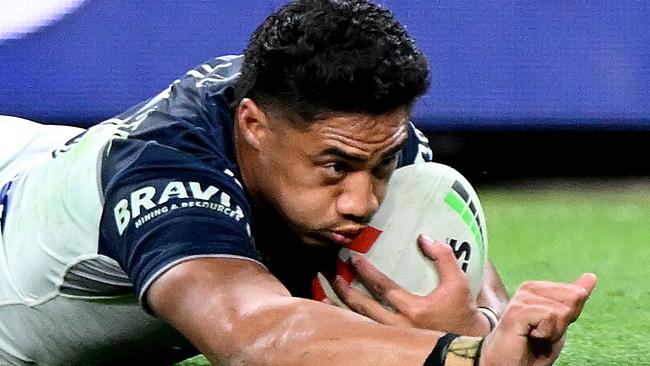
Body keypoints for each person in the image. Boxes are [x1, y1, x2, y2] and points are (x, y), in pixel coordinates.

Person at [0, 0, 596, 365]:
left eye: (381, 165)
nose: (363, 202)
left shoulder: (353, 130)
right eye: (335, 167)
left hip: (44, 158)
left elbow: (451, 255)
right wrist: (468, 358)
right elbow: (252, 334)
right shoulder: (171, 177)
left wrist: (486, 321)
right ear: (253, 125)